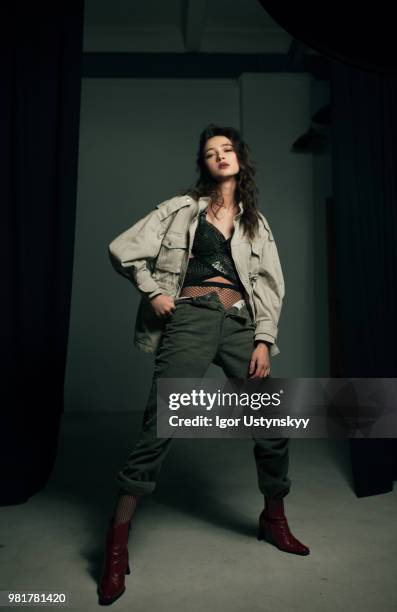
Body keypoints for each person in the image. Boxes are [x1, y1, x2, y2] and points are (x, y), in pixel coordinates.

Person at [97, 124, 309, 606]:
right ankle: (115, 545)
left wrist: (263, 339)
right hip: (189, 319)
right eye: (211, 153)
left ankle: (273, 519)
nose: (220, 157)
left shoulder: (257, 222)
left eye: (227, 149)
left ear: (240, 159)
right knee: (159, 429)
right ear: (204, 164)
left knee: (272, 424)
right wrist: (154, 291)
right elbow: (122, 249)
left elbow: (272, 287)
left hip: (239, 324)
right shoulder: (179, 209)